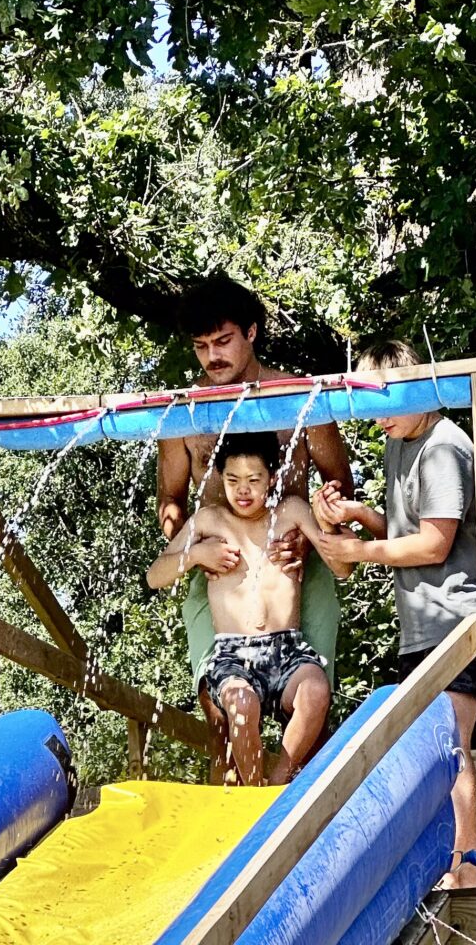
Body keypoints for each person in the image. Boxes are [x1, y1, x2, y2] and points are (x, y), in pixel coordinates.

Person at [157, 273, 354, 783]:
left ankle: (299, 805)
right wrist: (192, 550)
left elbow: (339, 482)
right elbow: (170, 501)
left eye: (223, 341)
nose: (212, 357)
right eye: (201, 346)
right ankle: (240, 815)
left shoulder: (300, 397)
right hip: (219, 576)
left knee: (312, 707)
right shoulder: (184, 413)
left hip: (297, 570)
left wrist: (311, 538)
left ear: (252, 332)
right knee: (221, 715)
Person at [314, 339, 476, 889]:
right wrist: (359, 514)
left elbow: (434, 543)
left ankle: (467, 867)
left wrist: (358, 550)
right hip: (420, 630)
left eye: (382, 405)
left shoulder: (443, 447)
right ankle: (445, 863)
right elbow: (406, 532)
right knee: (430, 750)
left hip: (457, 625)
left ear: (413, 390)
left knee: (450, 744)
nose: (375, 419)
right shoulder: (399, 442)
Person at [148, 432, 353, 785]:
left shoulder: (291, 512)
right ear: (220, 477)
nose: (243, 490)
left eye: (253, 480)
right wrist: (196, 554)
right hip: (233, 653)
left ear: (272, 478)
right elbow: (155, 574)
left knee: (316, 694)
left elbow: (343, 566)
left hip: (288, 647)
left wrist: (324, 531)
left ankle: (279, 783)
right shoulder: (209, 521)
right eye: (233, 481)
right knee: (235, 711)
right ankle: (253, 791)